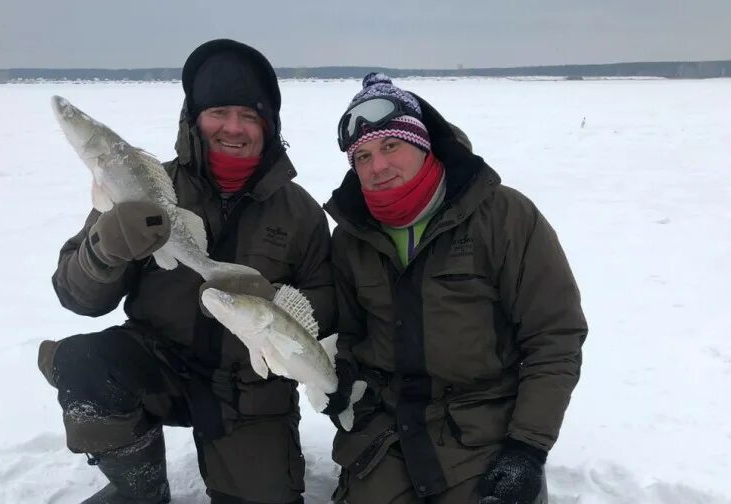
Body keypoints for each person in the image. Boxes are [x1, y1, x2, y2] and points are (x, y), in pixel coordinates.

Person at [38, 39, 335, 504]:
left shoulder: (300, 213)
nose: (233, 128)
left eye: (249, 115)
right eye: (219, 111)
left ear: (269, 126)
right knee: (87, 365)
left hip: (252, 390)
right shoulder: (142, 189)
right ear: (194, 117)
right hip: (161, 365)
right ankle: (141, 492)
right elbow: (76, 296)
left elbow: (328, 302)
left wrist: (275, 309)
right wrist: (106, 248)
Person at [320, 73, 588, 504]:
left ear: (423, 143)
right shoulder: (351, 238)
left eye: (391, 146)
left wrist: (527, 448)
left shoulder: (505, 217)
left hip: (484, 432)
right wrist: (344, 377)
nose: (378, 167)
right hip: (386, 435)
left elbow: (554, 338)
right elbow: (349, 335)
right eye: (362, 156)